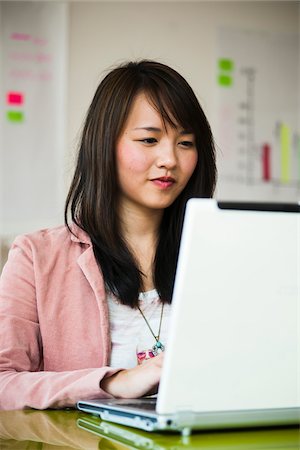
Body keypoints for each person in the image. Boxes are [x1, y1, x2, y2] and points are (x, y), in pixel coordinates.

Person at [0, 60, 216, 410]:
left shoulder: (219, 255)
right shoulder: (36, 256)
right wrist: (113, 382)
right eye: (149, 139)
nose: (170, 159)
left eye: (186, 143)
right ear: (105, 144)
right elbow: (4, 382)